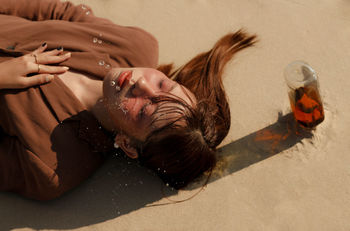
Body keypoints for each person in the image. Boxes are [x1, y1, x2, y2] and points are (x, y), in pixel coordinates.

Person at [0, 0, 257, 201]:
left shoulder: (50, 166)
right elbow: (57, 11)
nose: (141, 83)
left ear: (128, 145)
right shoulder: (134, 46)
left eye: (145, 109)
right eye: (163, 84)